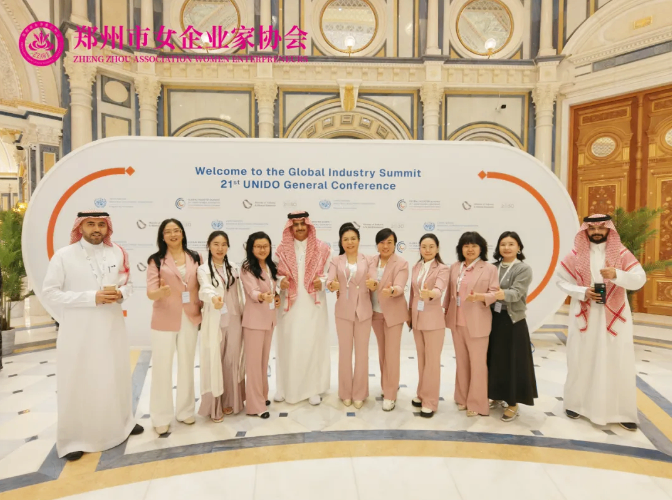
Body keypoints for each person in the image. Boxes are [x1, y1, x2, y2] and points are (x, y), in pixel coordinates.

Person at [42, 210, 143, 461]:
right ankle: (74, 439)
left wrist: (121, 294)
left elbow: (128, 284)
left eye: (101, 224)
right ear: (80, 227)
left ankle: (122, 425)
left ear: (108, 227)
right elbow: (50, 293)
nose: (96, 229)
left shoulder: (117, 252)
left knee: (115, 376)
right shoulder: (64, 256)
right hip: (79, 332)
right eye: (90, 224)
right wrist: (91, 297)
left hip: (111, 328)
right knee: (79, 380)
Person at [556, 214, 646, 431]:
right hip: (584, 315)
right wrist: (582, 291)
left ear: (609, 230)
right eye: (592, 228)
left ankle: (621, 411)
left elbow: (639, 278)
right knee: (581, 358)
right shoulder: (576, 254)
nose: (596, 232)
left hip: (615, 318)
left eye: (601, 228)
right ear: (586, 230)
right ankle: (576, 404)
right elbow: (559, 280)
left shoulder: (621, 254)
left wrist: (617, 274)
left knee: (617, 360)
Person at [146, 219, 202, 435]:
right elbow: (151, 292)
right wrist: (160, 292)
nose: (173, 234)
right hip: (164, 319)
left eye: (176, 230)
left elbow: (202, 284)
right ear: (162, 236)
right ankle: (161, 417)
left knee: (187, 365)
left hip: (190, 317)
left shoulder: (195, 257)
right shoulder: (156, 260)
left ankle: (185, 411)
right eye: (168, 231)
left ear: (183, 233)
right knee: (162, 368)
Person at [274, 211, 332, 406]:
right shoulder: (281, 249)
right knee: (288, 344)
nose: (299, 228)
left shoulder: (322, 249)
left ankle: (313, 389)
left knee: (312, 344)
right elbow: (273, 274)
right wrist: (280, 281)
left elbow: (331, 274)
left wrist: (322, 281)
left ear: (308, 225)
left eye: (302, 224)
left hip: (313, 304)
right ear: (290, 227)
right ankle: (284, 388)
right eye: (295, 224)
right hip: (289, 305)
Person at [443, 231, 499, 417]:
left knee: (478, 364)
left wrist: (480, 297)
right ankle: (461, 397)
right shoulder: (455, 267)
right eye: (466, 246)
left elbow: (495, 293)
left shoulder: (489, 269)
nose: (470, 249)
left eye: (474, 245)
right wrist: (444, 313)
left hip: (477, 322)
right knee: (462, 361)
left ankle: (476, 403)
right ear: (460, 249)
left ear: (481, 248)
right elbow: (449, 293)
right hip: (456, 321)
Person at [487, 231, 538, 422]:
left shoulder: (523, 269)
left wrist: (495, 294)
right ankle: (496, 395)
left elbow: (516, 293)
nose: (506, 248)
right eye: (503, 244)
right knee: (495, 359)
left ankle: (513, 403)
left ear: (519, 247)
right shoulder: (492, 267)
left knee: (512, 362)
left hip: (513, 322)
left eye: (511, 244)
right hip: (492, 319)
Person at [197, 231, 245, 421]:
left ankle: (229, 401)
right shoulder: (203, 269)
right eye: (216, 244)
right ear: (209, 246)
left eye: (224, 244)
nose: (220, 248)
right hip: (215, 320)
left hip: (234, 319)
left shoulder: (233, 267)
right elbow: (204, 288)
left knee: (231, 359)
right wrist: (213, 298)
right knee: (215, 360)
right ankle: (215, 405)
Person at [327, 223, 375, 409]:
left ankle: (360, 393)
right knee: (345, 353)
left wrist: (374, 283)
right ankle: (345, 392)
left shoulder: (368, 259)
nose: (350, 242)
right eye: (346, 239)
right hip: (343, 312)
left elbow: (373, 279)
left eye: (353, 238)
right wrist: (331, 285)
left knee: (362, 354)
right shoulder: (336, 260)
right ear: (341, 241)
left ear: (359, 240)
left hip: (364, 311)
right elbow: (330, 280)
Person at [408, 233, 449, 418]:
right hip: (417, 319)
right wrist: (409, 313)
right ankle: (422, 394)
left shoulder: (443, 268)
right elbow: (412, 293)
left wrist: (431, 293)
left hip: (433, 321)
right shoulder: (416, 267)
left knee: (432, 362)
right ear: (419, 248)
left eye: (431, 246)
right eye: (424, 246)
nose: (427, 250)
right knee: (422, 359)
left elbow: (439, 288)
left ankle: (430, 402)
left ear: (437, 248)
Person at [240, 231, 280, 419]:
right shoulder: (247, 267)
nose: (262, 250)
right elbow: (253, 292)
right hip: (254, 322)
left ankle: (262, 396)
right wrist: (262, 296)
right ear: (251, 248)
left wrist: (276, 297)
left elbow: (272, 289)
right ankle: (255, 406)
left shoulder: (271, 266)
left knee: (263, 362)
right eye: (258, 246)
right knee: (254, 365)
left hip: (269, 320)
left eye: (265, 246)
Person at [370, 228, 409, 412]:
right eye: (382, 242)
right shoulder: (371, 261)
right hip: (375, 313)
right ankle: (387, 384)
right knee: (382, 352)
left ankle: (390, 394)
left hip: (393, 314)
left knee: (392, 353)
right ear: (377, 244)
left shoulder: (401, 263)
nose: (385, 246)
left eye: (389, 242)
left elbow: (400, 285)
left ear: (395, 244)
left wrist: (392, 290)